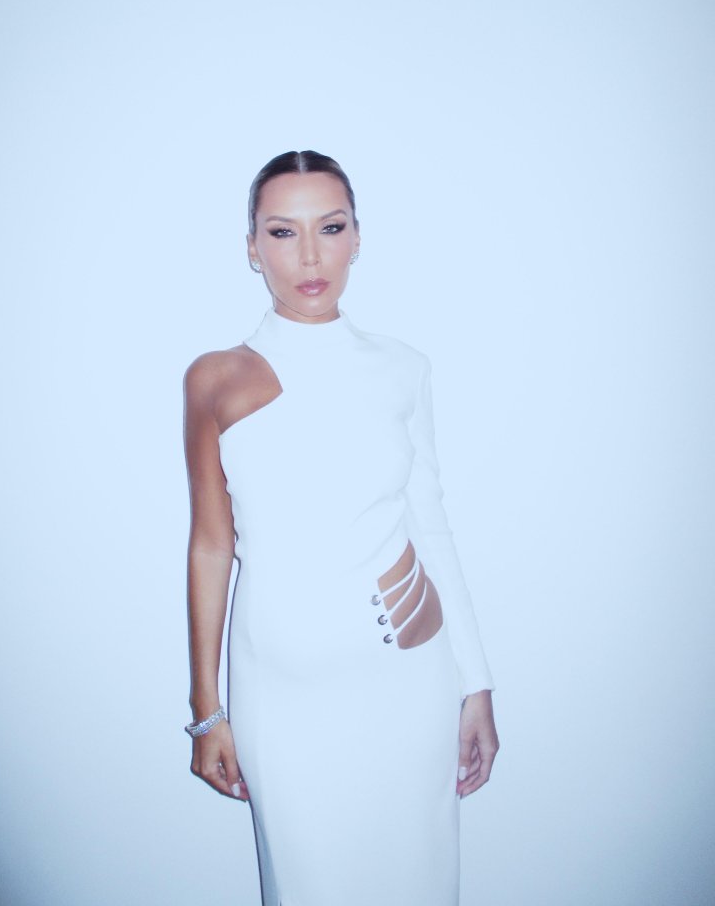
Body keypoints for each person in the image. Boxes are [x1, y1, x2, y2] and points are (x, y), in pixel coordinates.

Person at [183, 150, 499, 906]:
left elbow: (432, 524)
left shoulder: (403, 368)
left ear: (357, 237)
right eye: (282, 232)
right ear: (252, 248)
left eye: (329, 228)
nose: (310, 256)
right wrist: (205, 710)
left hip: (409, 683)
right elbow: (211, 545)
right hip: (282, 690)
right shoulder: (216, 378)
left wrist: (477, 683)